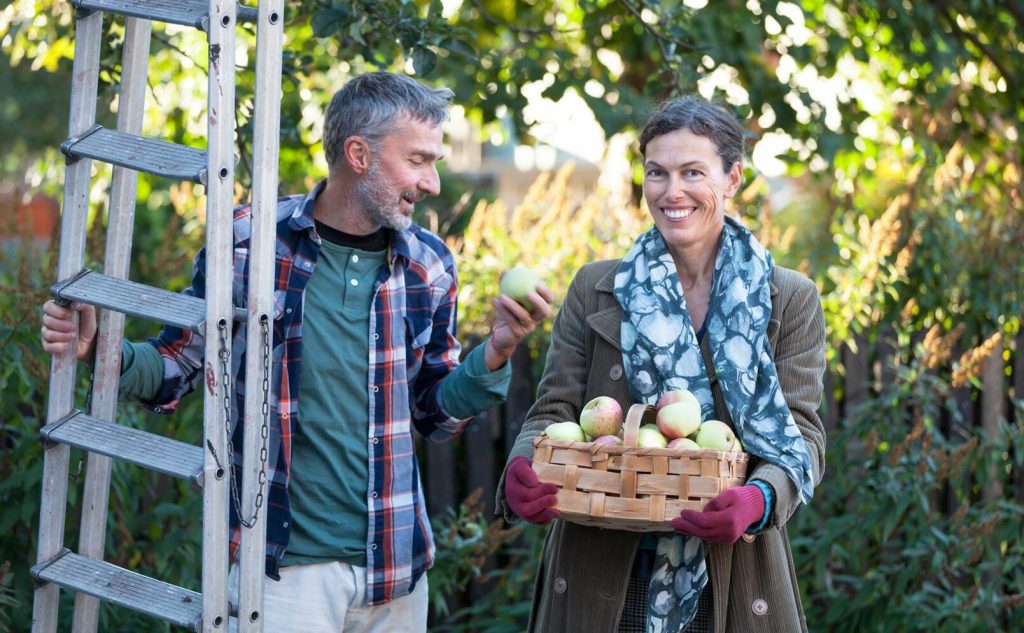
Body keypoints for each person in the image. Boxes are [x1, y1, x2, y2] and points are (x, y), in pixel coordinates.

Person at [41, 71, 553, 632]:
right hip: (282, 575)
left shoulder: (429, 265)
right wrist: (98, 349)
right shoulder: (250, 244)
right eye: (418, 161)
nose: (432, 183)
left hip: (397, 572)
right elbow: (176, 367)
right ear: (358, 153)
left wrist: (497, 351)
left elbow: (433, 413)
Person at [496, 95, 826, 633]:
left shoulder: (786, 298)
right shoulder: (596, 289)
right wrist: (519, 469)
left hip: (731, 573)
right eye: (657, 172)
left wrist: (758, 499)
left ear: (733, 178)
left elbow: (803, 435)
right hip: (603, 568)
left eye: (692, 172)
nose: (672, 192)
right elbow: (552, 410)